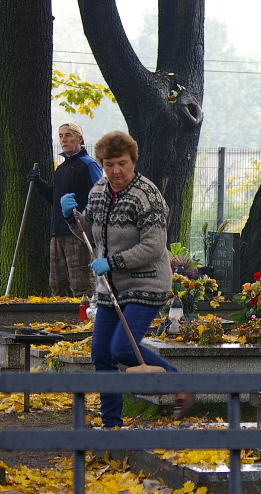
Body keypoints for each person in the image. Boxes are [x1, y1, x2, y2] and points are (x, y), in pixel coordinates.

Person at [61, 130, 192, 426]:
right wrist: (73, 217)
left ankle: (177, 383)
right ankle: (112, 425)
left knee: (121, 348)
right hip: (111, 287)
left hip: (146, 283)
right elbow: (89, 235)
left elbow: (153, 246)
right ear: (102, 164)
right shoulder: (98, 192)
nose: (115, 171)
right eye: (109, 164)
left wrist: (113, 261)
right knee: (101, 354)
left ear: (133, 161)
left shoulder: (147, 195)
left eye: (121, 163)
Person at [28, 122, 103, 297]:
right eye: (61, 136)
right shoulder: (61, 169)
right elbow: (55, 200)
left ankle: (86, 320)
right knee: (58, 285)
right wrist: (39, 183)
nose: (64, 140)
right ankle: (61, 322)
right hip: (58, 232)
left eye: (69, 135)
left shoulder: (88, 165)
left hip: (79, 233)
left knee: (81, 283)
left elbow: (100, 197)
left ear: (80, 139)